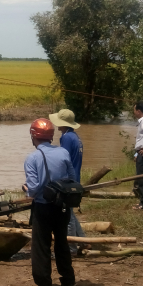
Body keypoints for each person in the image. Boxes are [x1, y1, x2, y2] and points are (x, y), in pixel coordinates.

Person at [22, 118, 77, 286]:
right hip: (62, 206)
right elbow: (72, 179)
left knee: (41, 246)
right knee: (62, 242)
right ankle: (68, 282)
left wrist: (26, 190)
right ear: (51, 136)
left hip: (43, 207)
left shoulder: (32, 158)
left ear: (33, 136)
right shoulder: (63, 153)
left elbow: (34, 188)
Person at [49, 108, 87, 253]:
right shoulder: (74, 136)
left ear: (63, 124)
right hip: (75, 178)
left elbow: (62, 159)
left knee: (67, 216)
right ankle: (83, 241)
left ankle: (70, 248)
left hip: (68, 181)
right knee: (70, 212)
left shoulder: (65, 138)